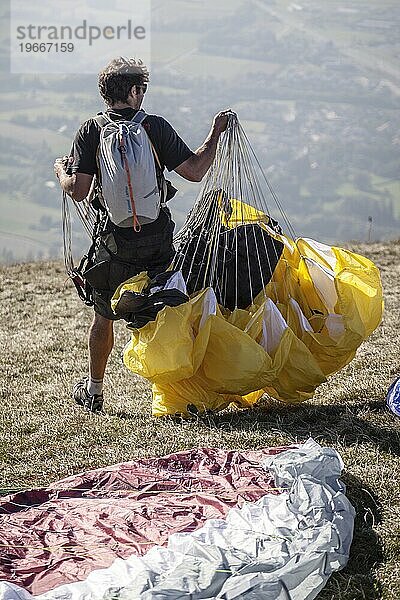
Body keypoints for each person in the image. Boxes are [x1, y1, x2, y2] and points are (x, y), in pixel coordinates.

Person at [54, 56, 230, 413]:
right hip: (158, 241)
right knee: (174, 309)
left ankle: (95, 390)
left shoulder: (91, 130)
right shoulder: (155, 128)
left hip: (115, 245)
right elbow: (195, 171)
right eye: (143, 89)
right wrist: (215, 133)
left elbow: (78, 191)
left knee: (103, 316)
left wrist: (60, 170)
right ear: (134, 91)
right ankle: (185, 389)